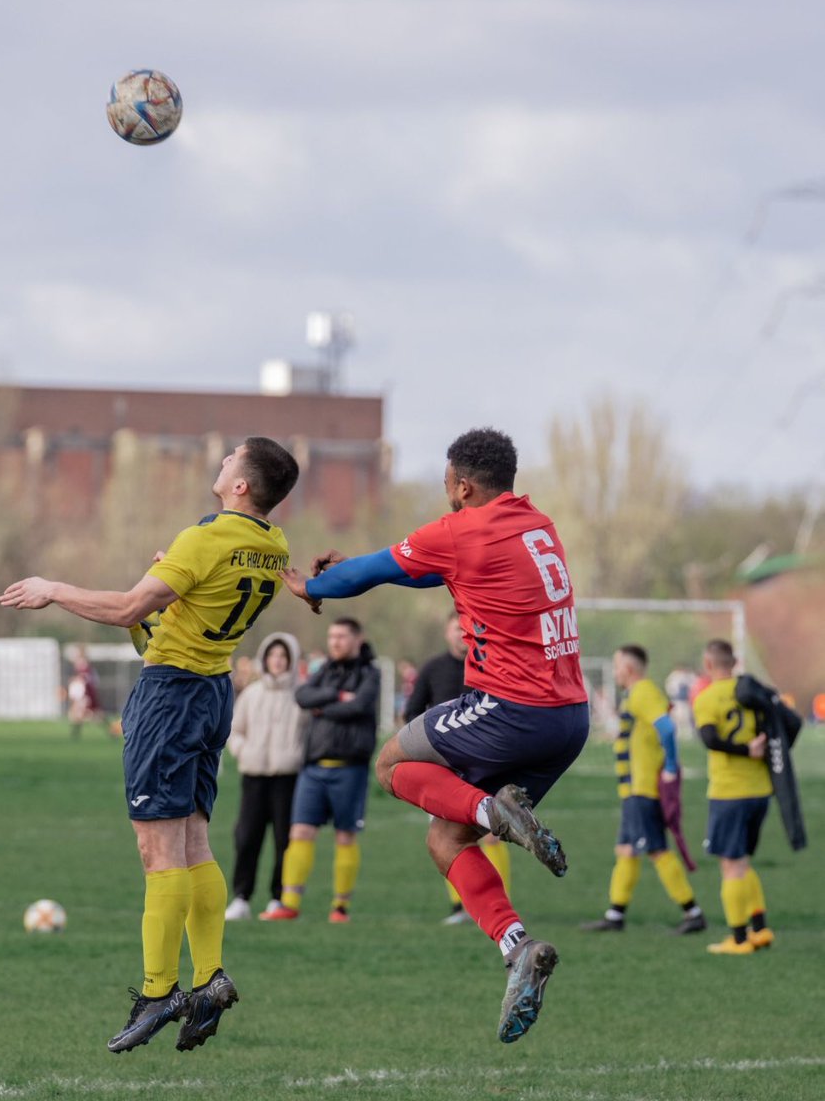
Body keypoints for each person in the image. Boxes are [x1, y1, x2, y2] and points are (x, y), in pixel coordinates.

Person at [280, 428, 589, 1044]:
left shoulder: (459, 530)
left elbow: (369, 572)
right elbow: (424, 571)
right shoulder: (534, 524)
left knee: (392, 765)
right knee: (445, 840)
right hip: (569, 717)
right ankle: (518, 947)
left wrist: (311, 587)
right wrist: (364, 569)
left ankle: (495, 813)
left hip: (509, 708)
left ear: (462, 484)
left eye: (447, 482)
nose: (444, 492)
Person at [0, 436, 299, 1053]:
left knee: (157, 850)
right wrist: (165, 587)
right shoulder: (273, 546)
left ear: (242, 483)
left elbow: (131, 608)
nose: (219, 462)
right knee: (192, 842)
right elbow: (165, 620)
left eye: (229, 459)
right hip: (214, 692)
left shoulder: (207, 537)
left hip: (171, 698)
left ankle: (160, 990)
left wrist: (53, 588)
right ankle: (210, 977)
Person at [261, 617, 380, 924]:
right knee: (299, 831)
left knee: (344, 836)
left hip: (350, 768)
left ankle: (340, 907)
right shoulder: (324, 670)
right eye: (331, 636)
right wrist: (338, 696)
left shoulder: (371, 673)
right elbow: (302, 696)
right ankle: (289, 902)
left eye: (341, 636)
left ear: (357, 639)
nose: (335, 642)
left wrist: (324, 706)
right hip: (314, 767)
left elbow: (360, 707)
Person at [581, 645, 705, 935]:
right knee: (625, 850)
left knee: (657, 850)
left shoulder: (643, 692)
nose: (614, 670)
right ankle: (615, 916)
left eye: (616, 665)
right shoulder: (635, 694)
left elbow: (667, 728)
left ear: (629, 668)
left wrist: (672, 766)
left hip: (644, 789)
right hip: (632, 791)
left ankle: (693, 912)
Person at [406, 611, 511, 925]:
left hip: (483, 763)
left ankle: (498, 904)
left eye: (467, 630)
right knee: (446, 834)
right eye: (456, 629)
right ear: (446, 632)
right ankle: (460, 907)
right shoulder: (433, 669)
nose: (462, 635)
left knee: (490, 834)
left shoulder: (489, 666)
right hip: (442, 765)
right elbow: (412, 713)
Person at [693, 639, 775, 955]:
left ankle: (738, 939)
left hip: (729, 792)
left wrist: (743, 750)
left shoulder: (708, 696)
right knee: (743, 862)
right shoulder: (753, 695)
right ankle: (761, 928)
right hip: (760, 791)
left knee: (731, 866)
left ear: (708, 664)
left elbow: (710, 738)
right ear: (736, 661)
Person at [224, 632, 308, 920]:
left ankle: (278, 897)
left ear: (291, 660)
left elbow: (309, 734)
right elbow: (234, 730)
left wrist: (297, 755)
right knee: (247, 836)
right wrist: (243, 751)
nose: (277, 661)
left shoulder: (301, 695)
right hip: (254, 774)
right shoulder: (252, 694)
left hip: (288, 777)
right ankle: (241, 897)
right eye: (273, 655)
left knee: (284, 839)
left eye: (283, 657)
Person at [67, 647, 105, 737]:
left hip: (86, 694)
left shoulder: (83, 665)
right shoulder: (85, 666)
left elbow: (84, 678)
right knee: (80, 713)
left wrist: (74, 680)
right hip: (87, 693)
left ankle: (111, 729)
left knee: (89, 714)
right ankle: (75, 734)